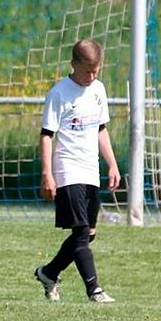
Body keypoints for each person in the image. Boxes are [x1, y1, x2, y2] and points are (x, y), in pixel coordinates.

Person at [34, 39, 120, 303]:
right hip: (68, 169)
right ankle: (94, 289)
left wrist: (112, 163)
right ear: (73, 65)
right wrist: (47, 174)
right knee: (81, 233)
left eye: (96, 71)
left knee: (88, 235)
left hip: (90, 170)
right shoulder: (59, 93)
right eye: (87, 71)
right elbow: (47, 135)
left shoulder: (98, 90)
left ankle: (48, 272)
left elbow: (101, 130)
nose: (91, 76)